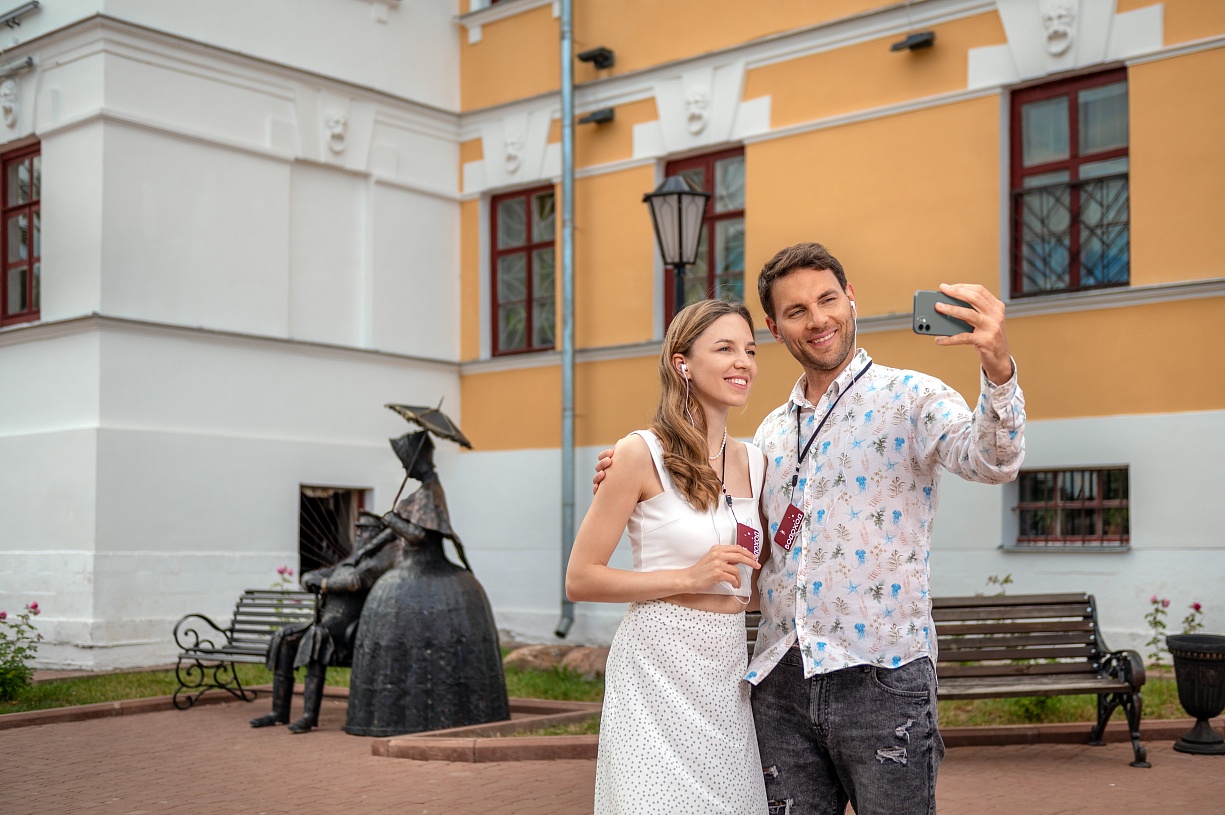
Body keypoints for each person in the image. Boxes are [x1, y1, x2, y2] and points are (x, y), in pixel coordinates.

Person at [596, 243, 1026, 815]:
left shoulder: (912, 397)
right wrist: (633, 467)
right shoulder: (769, 435)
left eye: (828, 300)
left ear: (851, 300)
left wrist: (998, 367)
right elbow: (746, 540)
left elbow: (994, 461)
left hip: (881, 678)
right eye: (796, 311)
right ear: (776, 329)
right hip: (780, 685)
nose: (818, 319)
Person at [567, 299, 769, 815]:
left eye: (750, 350)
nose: (743, 362)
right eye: (724, 348)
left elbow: (760, 579)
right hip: (655, 666)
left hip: (726, 671)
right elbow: (581, 578)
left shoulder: (757, 461)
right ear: (683, 364)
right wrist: (688, 576)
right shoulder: (638, 453)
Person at [250, 511, 404, 733]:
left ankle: (309, 716)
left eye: (365, 530)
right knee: (285, 638)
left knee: (317, 638)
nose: (359, 534)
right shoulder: (352, 560)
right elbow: (318, 574)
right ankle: (278, 711)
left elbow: (354, 581)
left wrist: (323, 584)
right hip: (326, 622)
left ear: (377, 535)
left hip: (349, 630)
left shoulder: (381, 561)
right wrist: (311, 579)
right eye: (358, 529)